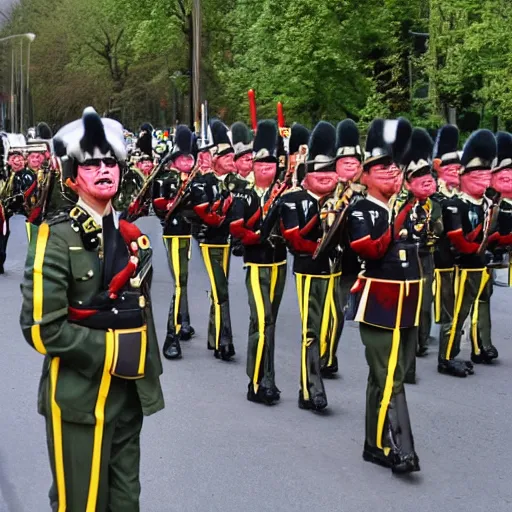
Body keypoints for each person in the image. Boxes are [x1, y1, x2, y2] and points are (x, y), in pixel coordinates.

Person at [19, 107, 164, 511]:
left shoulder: (132, 237)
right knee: (80, 505)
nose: (104, 169)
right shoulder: (57, 237)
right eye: (90, 163)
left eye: (110, 162)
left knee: (125, 502)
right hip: (80, 399)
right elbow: (40, 328)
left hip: (129, 394)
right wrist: (112, 351)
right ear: (72, 177)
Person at [347, 118, 421, 473]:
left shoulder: (406, 208)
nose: (391, 174)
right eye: (381, 170)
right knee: (388, 375)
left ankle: (373, 443)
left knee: (388, 375)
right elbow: (372, 250)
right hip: (378, 301)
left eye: (394, 168)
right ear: (365, 176)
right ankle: (400, 447)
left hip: (407, 303)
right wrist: (404, 211)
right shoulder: (362, 209)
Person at [279, 121, 340, 411]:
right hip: (308, 268)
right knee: (312, 330)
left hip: (333, 268)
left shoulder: (344, 201)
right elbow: (295, 241)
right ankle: (310, 387)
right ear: (307, 175)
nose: (325, 176)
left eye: (330, 171)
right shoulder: (294, 200)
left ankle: (319, 374)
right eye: (319, 171)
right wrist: (323, 219)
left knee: (330, 324)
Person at [230, 119, 288, 405]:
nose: (267, 169)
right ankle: (255, 382)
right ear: (252, 165)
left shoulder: (283, 194)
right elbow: (238, 229)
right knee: (261, 321)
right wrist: (258, 235)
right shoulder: (243, 192)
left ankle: (269, 378)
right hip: (255, 263)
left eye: (271, 164)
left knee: (269, 322)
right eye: (262, 164)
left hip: (279, 262)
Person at [443, 129, 498, 368]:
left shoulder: (485, 204)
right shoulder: (456, 205)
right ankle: (446, 356)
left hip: (479, 266)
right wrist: (478, 248)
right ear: (463, 175)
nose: (483, 179)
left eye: (486, 174)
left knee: (476, 309)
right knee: (456, 313)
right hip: (462, 266)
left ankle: (478, 347)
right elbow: (458, 241)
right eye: (477, 174)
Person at [398, 128, 442, 383]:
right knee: (408, 307)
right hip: (405, 258)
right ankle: (409, 358)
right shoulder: (402, 202)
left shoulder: (433, 203)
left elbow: (438, 229)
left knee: (425, 303)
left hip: (426, 256)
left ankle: (421, 340)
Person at [431, 125, 473, 377]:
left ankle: (452, 353)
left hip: (460, 261)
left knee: (460, 311)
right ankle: (445, 359)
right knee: (449, 312)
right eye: (452, 169)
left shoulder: (462, 196)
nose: (456, 172)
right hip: (443, 261)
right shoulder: (435, 197)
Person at [153, 124, 197, 359]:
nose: (188, 161)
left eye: (189, 157)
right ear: (174, 160)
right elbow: (159, 206)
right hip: (174, 232)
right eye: (183, 158)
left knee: (185, 279)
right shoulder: (166, 180)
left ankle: (184, 321)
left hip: (188, 232)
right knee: (179, 281)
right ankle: (172, 332)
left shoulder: (195, 179)